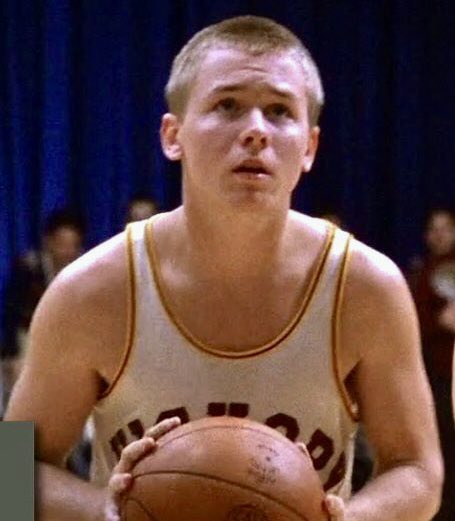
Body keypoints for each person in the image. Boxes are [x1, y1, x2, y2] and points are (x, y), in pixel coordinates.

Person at [5, 16, 442, 521]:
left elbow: (419, 470)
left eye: (279, 111)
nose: (255, 131)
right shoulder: (90, 291)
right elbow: (11, 476)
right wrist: (108, 510)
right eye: (227, 105)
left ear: (309, 148)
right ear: (173, 136)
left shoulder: (366, 287)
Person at [1, 209, 85, 405]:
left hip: (70, 339)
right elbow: (11, 313)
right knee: (21, 390)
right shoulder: (27, 268)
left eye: (72, 246)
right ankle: (19, 426)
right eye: (62, 245)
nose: (67, 252)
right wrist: (12, 354)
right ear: (48, 242)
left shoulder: (86, 269)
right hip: (29, 336)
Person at [408, 207, 455, 521]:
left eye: (446, 228)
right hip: (436, 380)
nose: (440, 235)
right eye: (434, 229)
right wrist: (440, 322)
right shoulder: (420, 276)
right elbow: (411, 327)